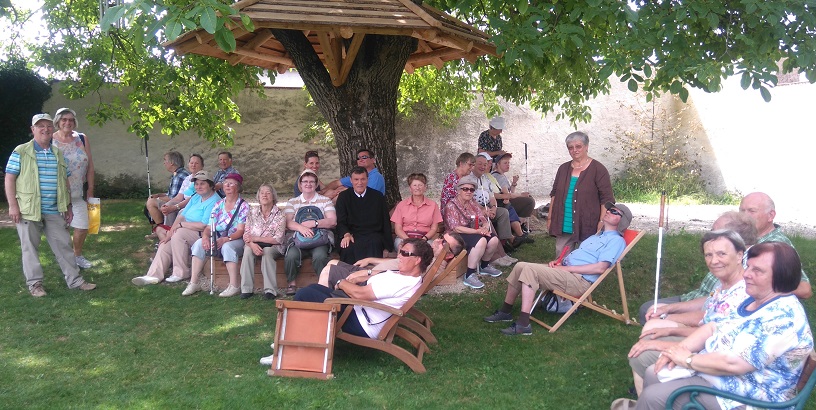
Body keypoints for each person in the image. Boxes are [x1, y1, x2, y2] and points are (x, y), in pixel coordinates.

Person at [620, 242, 813, 410]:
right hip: (725, 378)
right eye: (749, 267)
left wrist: (687, 360)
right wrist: (680, 349)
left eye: (758, 271)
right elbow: (713, 326)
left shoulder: (782, 318)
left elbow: (734, 364)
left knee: (654, 397)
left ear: (781, 277)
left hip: (749, 398)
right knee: (654, 373)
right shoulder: (754, 301)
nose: (747, 274)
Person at [260, 238, 435, 366]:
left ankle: (288, 348)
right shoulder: (406, 275)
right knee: (313, 291)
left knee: (304, 296)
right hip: (359, 309)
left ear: (418, 260)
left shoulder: (402, 281)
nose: (399, 256)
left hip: (360, 319)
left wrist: (340, 282)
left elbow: (360, 295)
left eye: (404, 253)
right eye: (400, 252)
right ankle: (291, 339)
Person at [628, 230, 749, 396]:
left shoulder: (745, 292)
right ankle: (647, 398)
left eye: (721, 254)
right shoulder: (723, 284)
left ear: (739, 255)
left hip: (713, 354)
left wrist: (662, 342)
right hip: (703, 342)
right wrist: (670, 329)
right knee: (648, 337)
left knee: (642, 353)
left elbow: (715, 340)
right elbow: (707, 321)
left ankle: (649, 399)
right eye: (709, 255)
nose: (714, 261)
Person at [484, 201, 632, 335]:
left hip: (578, 281)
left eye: (614, 211)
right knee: (520, 266)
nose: (608, 211)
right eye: (609, 209)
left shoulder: (616, 241)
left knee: (530, 270)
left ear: (622, 220)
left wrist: (566, 270)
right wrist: (560, 264)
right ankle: (505, 311)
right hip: (567, 272)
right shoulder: (597, 236)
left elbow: (600, 268)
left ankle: (523, 324)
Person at [5, 113, 96, 297]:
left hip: (55, 209)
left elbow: (66, 180)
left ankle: (75, 281)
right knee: (30, 248)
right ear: (33, 130)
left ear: (52, 128)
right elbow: (10, 178)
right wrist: (13, 205)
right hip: (28, 210)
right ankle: (35, 285)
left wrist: (68, 205)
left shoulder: (57, 153)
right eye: (40, 126)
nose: (45, 129)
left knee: (64, 245)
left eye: (48, 125)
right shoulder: (21, 151)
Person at [638, 211, 756, 323]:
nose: (714, 261)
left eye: (714, 231)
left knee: (653, 322)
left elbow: (711, 320)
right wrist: (668, 310)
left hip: (709, 333)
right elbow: (710, 302)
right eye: (708, 255)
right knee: (653, 314)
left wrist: (667, 318)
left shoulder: (746, 274)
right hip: (703, 321)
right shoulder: (725, 277)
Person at [132, 171, 219, 286]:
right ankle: (153, 275)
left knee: (179, 233)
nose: (198, 186)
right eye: (196, 184)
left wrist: (180, 226)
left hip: (204, 234)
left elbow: (203, 225)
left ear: (211, 185)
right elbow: (181, 216)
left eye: (202, 184)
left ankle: (181, 272)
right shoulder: (196, 197)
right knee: (166, 241)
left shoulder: (215, 200)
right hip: (187, 229)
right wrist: (170, 232)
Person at [547, 131, 614, 257]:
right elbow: (554, 194)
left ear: (586, 147)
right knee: (561, 258)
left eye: (578, 146)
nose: (574, 150)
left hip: (588, 222)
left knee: (585, 258)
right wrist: (550, 218)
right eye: (570, 148)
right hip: (565, 222)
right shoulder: (563, 169)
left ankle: (579, 277)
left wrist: (601, 221)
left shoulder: (598, 169)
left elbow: (606, 199)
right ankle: (563, 277)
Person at [318, 232, 466, 289]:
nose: (438, 240)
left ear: (449, 255)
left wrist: (368, 272)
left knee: (328, 271)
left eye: (444, 243)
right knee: (332, 263)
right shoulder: (429, 257)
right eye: (441, 237)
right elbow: (397, 263)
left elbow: (401, 277)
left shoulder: (431, 264)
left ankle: (321, 314)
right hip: (372, 274)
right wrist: (370, 260)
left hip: (372, 280)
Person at [182, 173, 249, 297]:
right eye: (225, 183)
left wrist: (226, 239)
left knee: (227, 247)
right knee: (198, 244)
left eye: (231, 183)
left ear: (238, 187)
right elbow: (209, 227)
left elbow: (240, 231)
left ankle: (234, 285)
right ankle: (194, 282)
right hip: (218, 236)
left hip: (235, 239)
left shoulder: (243, 206)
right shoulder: (218, 204)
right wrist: (206, 237)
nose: (227, 185)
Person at [739, 192, 811, 298]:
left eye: (752, 211)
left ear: (770, 215)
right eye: (742, 211)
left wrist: (765, 287)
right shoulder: (744, 237)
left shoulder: (777, 246)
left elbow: (804, 289)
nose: (744, 217)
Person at [51, 107, 96, 269]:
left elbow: (90, 165)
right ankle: (65, 259)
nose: (67, 123)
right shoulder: (51, 140)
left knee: (83, 226)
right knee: (60, 229)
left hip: (79, 192)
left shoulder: (82, 138)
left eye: (70, 120)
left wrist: (90, 188)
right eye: (64, 119)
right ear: (58, 121)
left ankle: (77, 255)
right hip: (57, 194)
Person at [282, 170, 337, 296]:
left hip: (320, 239)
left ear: (316, 184)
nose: (308, 184)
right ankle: (291, 283)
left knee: (320, 256)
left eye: (312, 181)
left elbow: (333, 221)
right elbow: (287, 222)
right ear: (300, 185)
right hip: (298, 239)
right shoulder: (293, 202)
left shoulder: (325, 201)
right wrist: (301, 228)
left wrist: (314, 223)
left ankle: (323, 285)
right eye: (305, 181)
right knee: (291, 255)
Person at [443, 175, 503, 289]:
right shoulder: (451, 205)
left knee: (493, 239)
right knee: (480, 241)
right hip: (455, 236)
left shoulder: (472, 203)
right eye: (465, 189)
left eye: (471, 189)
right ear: (458, 190)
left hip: (473, 231)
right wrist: (477, 231)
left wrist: (485, 227)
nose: (468, 192)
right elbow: (456, 228)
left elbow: (482, 218)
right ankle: (469, 274)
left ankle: (485, 266)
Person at [335, 166, 393, 264]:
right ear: (351, 180)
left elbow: (385, 221)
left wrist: (388, 246)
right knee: (347, 248)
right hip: (352, 234)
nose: (359, 183)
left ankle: (371, 278)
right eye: (356, 179)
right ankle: (350, 277)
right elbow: (341, 220)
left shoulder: (377, 196)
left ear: (367, 179)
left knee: (374, 244)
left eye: (363, 179)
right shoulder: (343, 197)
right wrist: (346, 234)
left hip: (373, 234)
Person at [239, 184, 287, 300]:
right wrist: (252, 244)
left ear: (273, 196)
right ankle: (246, 289)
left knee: (267, 251)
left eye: (268, 193)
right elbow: (247, 234)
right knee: (247, 251)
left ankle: (270, 290)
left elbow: (278, 239)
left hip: (274, 246)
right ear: (258, 196)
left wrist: (256, 239)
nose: (264, 195)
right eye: (262, 193)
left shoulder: (280, 215)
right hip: (254, 244)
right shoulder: (252, 212)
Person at [473, 152, 528, 251]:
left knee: (503, 211)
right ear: (474, 164)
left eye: (486, 164)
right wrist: (483, 208)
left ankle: (506, 241)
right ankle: (512, 239)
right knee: (508, 206)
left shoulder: (486, 178)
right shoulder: (470, 179)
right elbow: (470, 199)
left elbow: (492, 196)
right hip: (477, 208)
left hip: (489, 205)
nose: (484, 166)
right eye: (480, 164)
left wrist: (493, 208)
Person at [391, 173, 443, 249]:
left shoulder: (433, 205)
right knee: (404, 247)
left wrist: (424, 239)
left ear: (425, 187)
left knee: (426, 248)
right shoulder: (401, 205)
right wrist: (408, 240)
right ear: (410, 188)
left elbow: (434, 228)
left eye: (420, 185)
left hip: (425, 239)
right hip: (404, 238)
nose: (417, 188)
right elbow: (398, 228)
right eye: (414, 185)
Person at [144, 151, 189, 237]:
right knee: (152, 200)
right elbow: (171, 193)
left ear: (171, 163)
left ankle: (161, 229)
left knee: (151, 202)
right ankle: (160, 229)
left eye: (165, 160)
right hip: (177, 202)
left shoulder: (179, 176)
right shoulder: (178, 173)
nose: (164, 163)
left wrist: (157, 199)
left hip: (179, 204)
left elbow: (172, 198)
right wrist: (158, 195)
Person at [492, 152, 536, 230]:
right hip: (503, 203)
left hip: (505, 201)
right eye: (505, 163)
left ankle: (519, 225)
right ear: (498, 164)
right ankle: (519, 223)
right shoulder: (498, 177)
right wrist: (521, 195)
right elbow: (508, 195)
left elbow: (510, 192)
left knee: (528, 199)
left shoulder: (501, 175)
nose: (508, 165)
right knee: (530, 201)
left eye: (508, 163)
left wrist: (514, 183)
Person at [159, 153, 204, 219]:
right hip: (184, 203)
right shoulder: (187, 178)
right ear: (188, 164)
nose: (193, 165)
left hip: (196, 205)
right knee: (168, 206)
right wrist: (168, 205)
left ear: (202, 166)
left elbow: (193, 199)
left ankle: (173, 229)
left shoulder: (203, 179)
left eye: (196, 163)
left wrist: (175, 207)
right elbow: (178, 197)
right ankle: (168, 228)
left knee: (179, 212)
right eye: (191, 163)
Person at [440, 152, 475, 218]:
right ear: (461, 164)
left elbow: (471, 199)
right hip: (452, 214)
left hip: (464, 212)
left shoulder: (466, 179)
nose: (472, 168)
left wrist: (483, 209)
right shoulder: (451, 178)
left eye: (473, 165)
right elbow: (459, 201)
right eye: (470, 165)